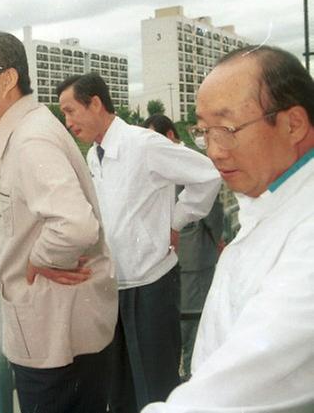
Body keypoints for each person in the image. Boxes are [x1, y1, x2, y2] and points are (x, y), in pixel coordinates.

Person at [142, 45, 314, 412]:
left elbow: (232, 389)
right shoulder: (269, 199)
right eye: (204, 131)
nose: (214, 151)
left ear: (293, 124)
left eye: (228, 128)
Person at [0, 31, 117, 413]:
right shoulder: (31, 128)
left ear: (7, 79)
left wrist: (39, 259)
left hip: (54, 344)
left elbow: (76, 226)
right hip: (64, 333)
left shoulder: (30, 140)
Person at [56, 74, 220, 413]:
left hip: (151, 286)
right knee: (118, 389)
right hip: (111, 287)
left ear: (96, 104)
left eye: (71, 111)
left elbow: (207, 175)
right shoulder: (93, 155)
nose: (67, 122)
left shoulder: (144, 143)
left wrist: (175, 222)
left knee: (155, 387)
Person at [143, 113, 228, 379]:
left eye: (155, 135)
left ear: (170, 135)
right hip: (181, 253)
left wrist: (220, 240)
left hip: (192, 253)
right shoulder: (169, 159)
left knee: (193, 318)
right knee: (187, 319)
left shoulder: (184, 160)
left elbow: (212, 209)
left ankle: (193, 375)